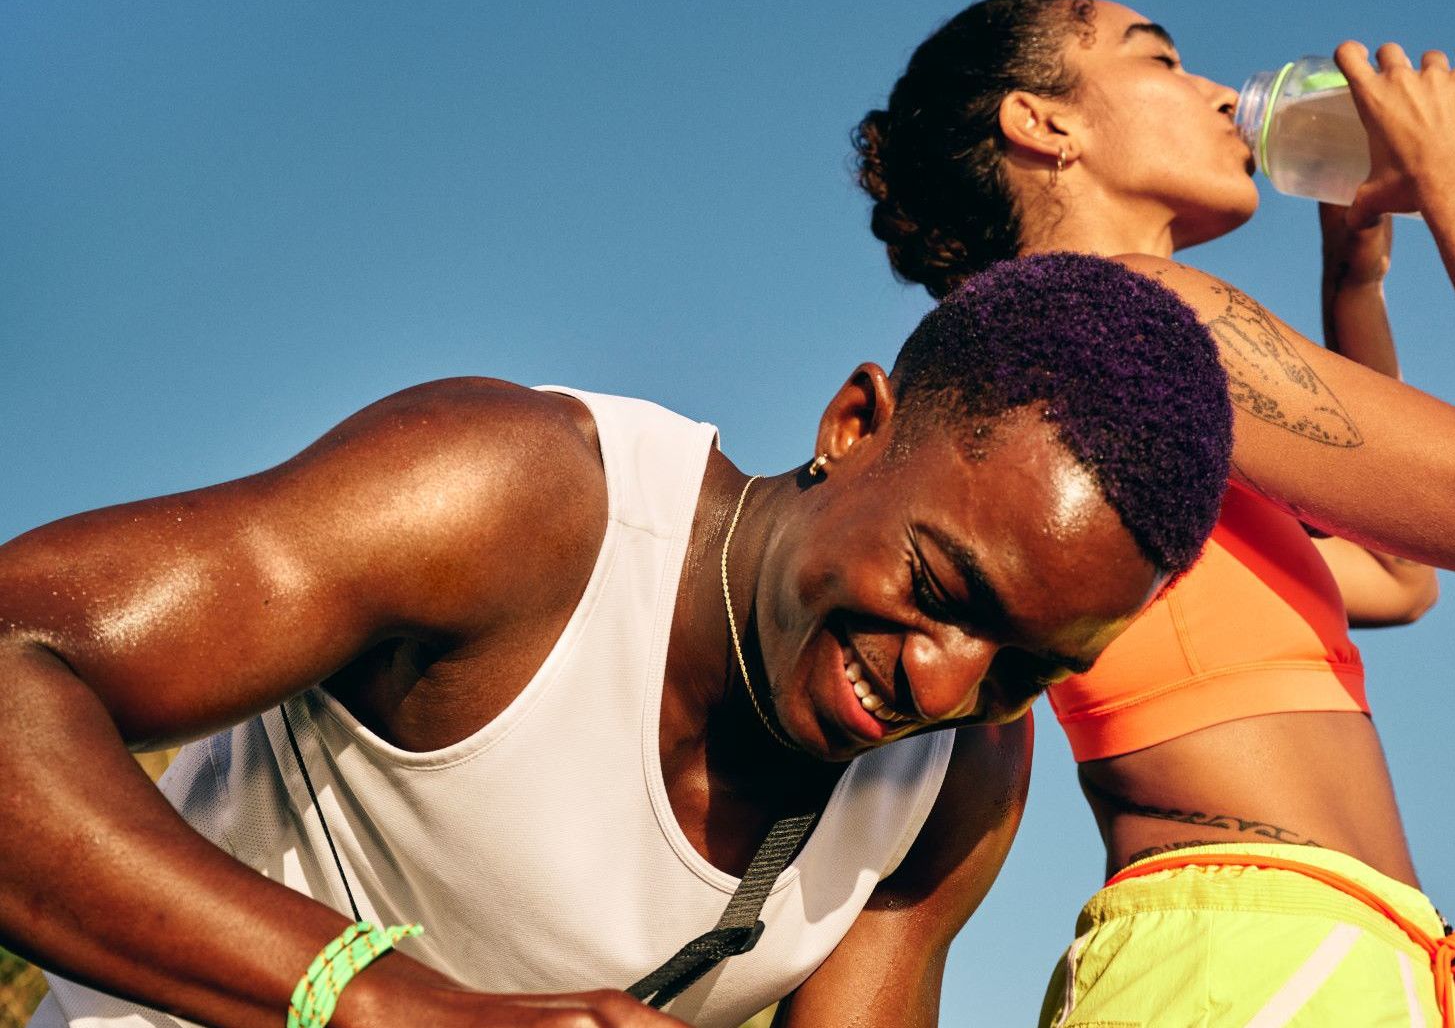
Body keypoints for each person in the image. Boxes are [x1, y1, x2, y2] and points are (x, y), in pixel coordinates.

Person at [0, 254, 1234, 1028]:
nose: (946, 681)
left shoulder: (960, 774)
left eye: (1027, 667)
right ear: (856, 425)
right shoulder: (513, 500)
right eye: (941, 585)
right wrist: (389, 1005)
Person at [855, 0, 1455, 1027]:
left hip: (1331, 948)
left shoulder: (1088, 364)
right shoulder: (1141, 321)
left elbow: (1402, 578)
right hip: (1248, 960)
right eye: (1159, 58)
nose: (1221, 95)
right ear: (1043, 121)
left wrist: (1353, 286)